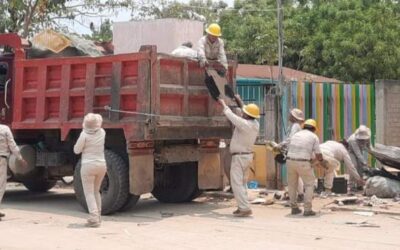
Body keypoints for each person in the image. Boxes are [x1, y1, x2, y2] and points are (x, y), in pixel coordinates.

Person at [218, 97, 260, 217]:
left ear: (246, 116)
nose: (242, 113)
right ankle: (242, 205)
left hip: (240, 157)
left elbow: (231, 116)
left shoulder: (244, 124)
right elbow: (245, 111)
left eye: (244, 113)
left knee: (236, 183)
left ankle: (244, 208)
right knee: (242, 183)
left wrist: (222, 103)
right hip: (246, 157)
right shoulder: (255, 124)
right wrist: (239, 100)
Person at [74, 113, 106, 227]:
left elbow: (76, 150)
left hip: (88, 166)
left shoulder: (84, 135)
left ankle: (93, 218)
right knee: (96, 191)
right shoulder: (102, 132)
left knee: (89, 193)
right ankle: (99, 216)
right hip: (102, 165)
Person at [286, 119, 325, 216]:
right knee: (309, 185)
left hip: (290, 160)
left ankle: (294, 208)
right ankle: (307, 209)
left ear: (304, 126)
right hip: (303, 162)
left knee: (292, 185)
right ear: (314, 129)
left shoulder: (296, 135)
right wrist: (321, 162)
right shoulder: (314, 137)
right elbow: (318, 154)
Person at [274, 108, 305, 201]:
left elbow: (291, 139)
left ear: (293, 117)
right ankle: (300, 194)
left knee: (293, 175)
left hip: (294, 153)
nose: (289, 115)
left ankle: (298, 195)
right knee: (296, 175)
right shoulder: (294, 126)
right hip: (294, 152)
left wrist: (280, 145)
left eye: (290, 114)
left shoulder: (295, 126)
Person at [0, 124, 27, 220]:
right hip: (1, 159)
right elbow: (12, 144)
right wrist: (20, 158)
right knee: (1, 185)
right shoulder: (4, 129)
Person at [347, 125, 371, 190]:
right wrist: (365, 163)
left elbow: (369, 147)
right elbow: (358, 154)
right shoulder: (353, 140)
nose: (363, 140)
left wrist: (374, 153)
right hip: (350, 151)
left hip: (359, 151)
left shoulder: (368, 136)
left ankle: (359, 185)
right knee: (354, 166)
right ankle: (351, 185)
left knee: (360, 167)